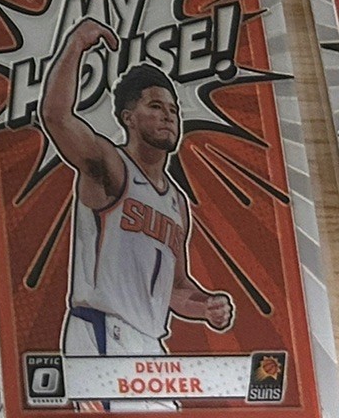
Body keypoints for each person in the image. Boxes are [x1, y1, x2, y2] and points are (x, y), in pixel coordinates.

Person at [41, 20, 232, 394]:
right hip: (101, 331)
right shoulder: (111, 166)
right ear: (128, 117)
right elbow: (56, 117)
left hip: (149, 344)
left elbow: (175, 288)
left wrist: (206, 306)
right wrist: (76, 44)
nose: (168, 116)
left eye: (173, 109)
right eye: (155, 106)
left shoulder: (176, 202)